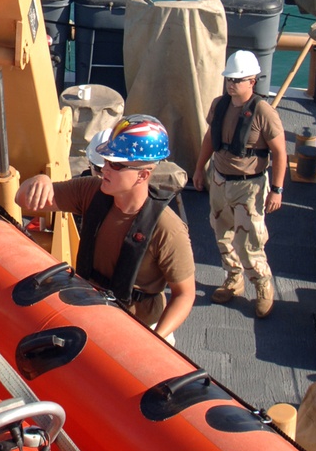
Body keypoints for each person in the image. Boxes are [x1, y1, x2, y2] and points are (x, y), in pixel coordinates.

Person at [17, 114, 196, 340]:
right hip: (90, 311)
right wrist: (39, 181)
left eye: (116, 164)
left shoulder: (168, 229)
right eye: (105, 160)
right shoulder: (91, 191)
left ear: (143, 175)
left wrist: (156, 339)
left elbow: (185, 295)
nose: (105, 169)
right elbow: (22, 199)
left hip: (140, 328)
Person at [192, 49, 287, 318]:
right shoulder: (219, 105)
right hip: (220, 181)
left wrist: (277, 190)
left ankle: (262, 285)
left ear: (252, 81)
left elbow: (280, 153)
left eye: (237, 80)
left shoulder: (263, 113)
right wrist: (200, 169)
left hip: (249, 187)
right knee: (222, 234)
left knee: (250, 242)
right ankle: (234, 278)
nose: (231, 84)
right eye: (229, 79)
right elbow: (210, 138)